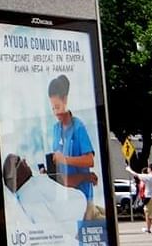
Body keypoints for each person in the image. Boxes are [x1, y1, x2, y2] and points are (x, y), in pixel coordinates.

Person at [48, 74, 102, 220]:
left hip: (82, 198)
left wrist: (65, 159)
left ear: (65, 100)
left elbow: (89, 160)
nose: (56, 112)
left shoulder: (78, 127)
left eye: (58, 107)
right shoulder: (55, 129)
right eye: (52, 108)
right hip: (65, 198)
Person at [2, 154, 86, 243]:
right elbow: (52, 233)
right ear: (16, 175)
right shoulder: (31, 197)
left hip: (83, 215)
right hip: (84, 221)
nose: (25, 161)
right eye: (20, 160)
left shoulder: (31, 186)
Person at [126, 164, 152, 234]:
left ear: (149, 169)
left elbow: (136, 174)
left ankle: (148, 229)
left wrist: (129, 169)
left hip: (149, 197)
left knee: (148, 214)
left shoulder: (147, 176)